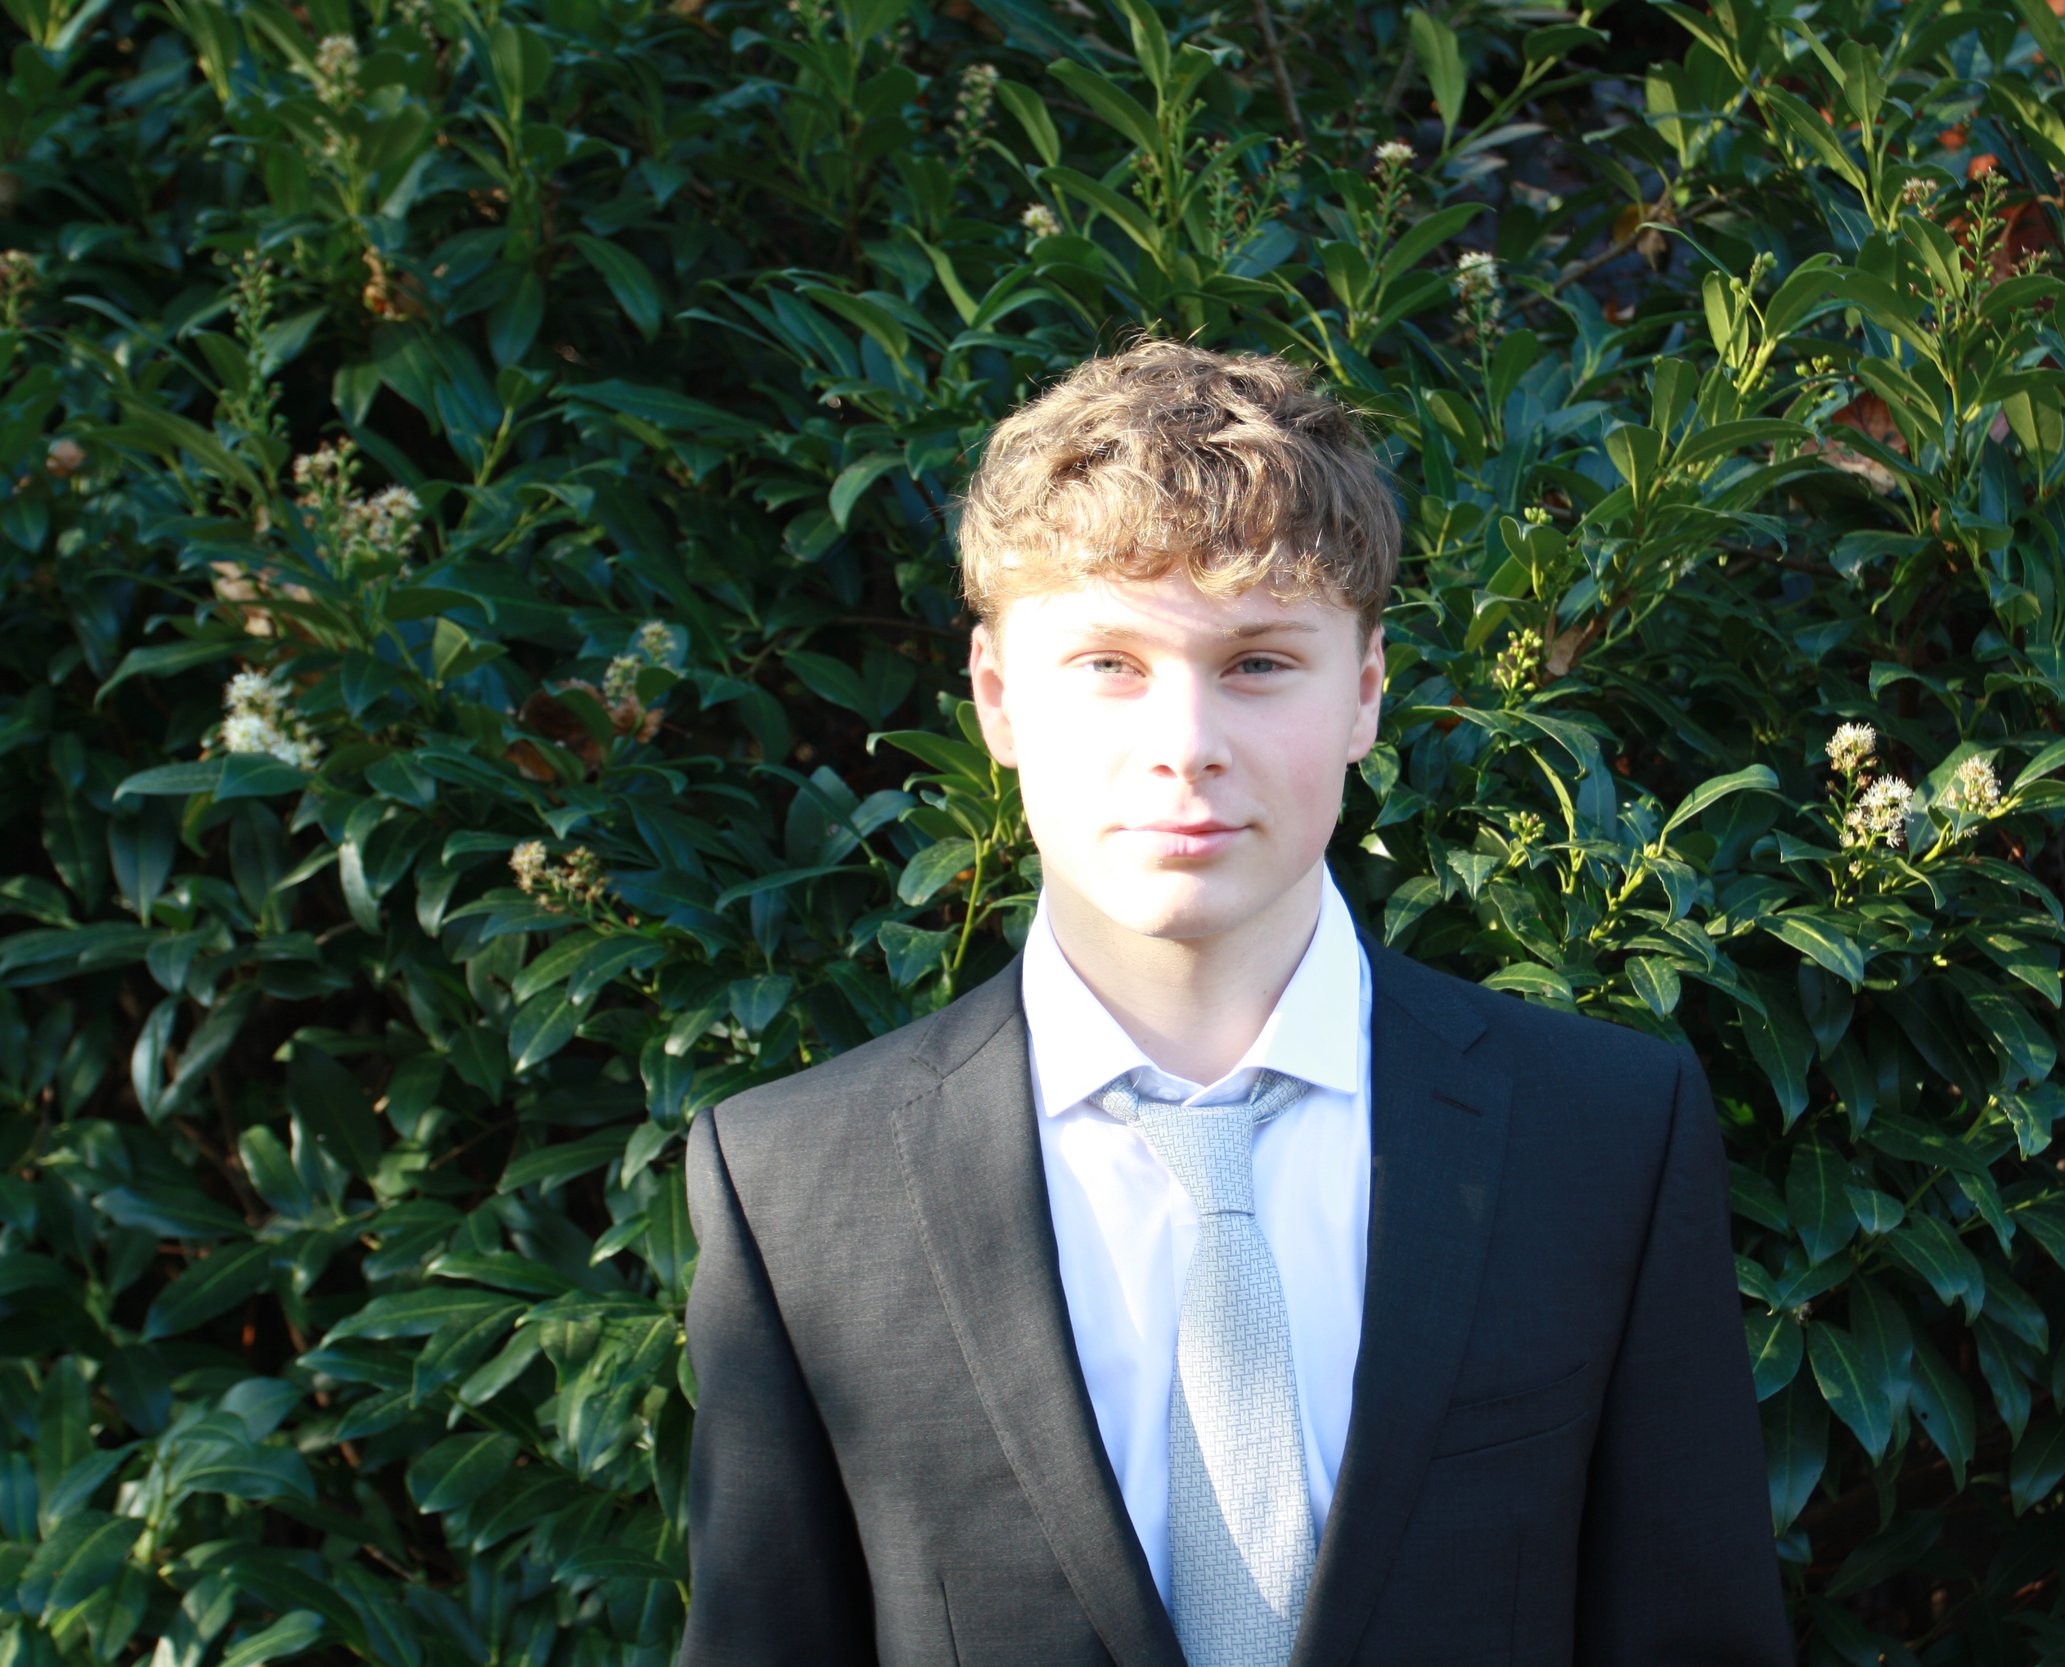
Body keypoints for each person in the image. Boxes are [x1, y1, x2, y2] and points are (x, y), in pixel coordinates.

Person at [677, 339, 1794, 1667]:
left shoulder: (1602, 1135)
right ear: (996, 699)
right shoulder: (799, 1183)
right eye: (1106, 663)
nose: (1185, 738)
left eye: (1261, 661)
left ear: (1366, 692)